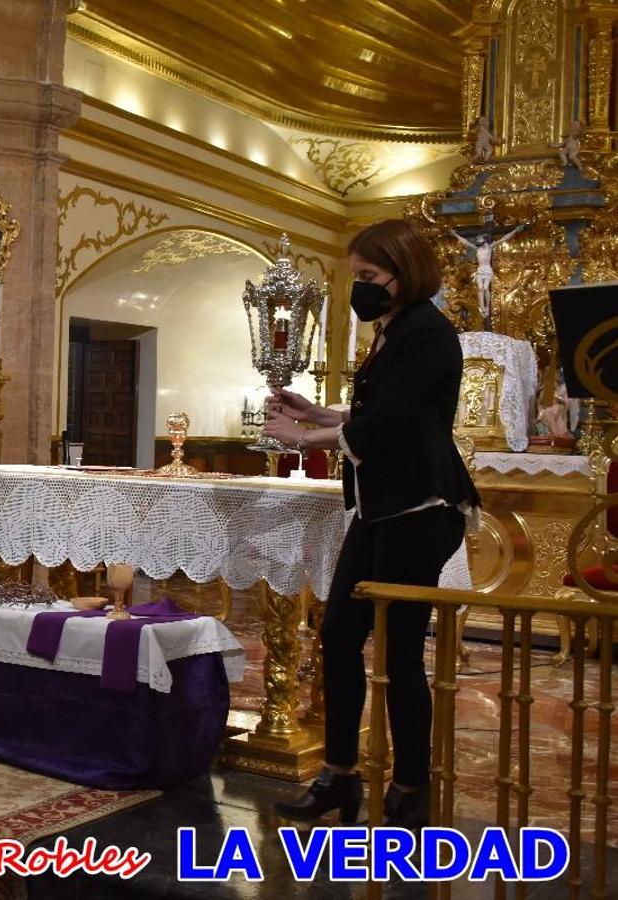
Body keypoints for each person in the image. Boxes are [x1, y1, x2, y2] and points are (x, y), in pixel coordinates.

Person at [263, 220, 481, 829]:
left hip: (422, 507)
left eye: (367, 277)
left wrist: (305, 435)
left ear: (402, 272)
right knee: (339, 633)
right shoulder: (392, 331)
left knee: (401, 652)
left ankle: (412, 784)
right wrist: (323, 411)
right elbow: (377, 411)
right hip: (381, 504)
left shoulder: (429, 333)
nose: (360, 289)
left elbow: (394, 424)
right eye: (356, 277)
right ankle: (339, 774)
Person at [452, 224, 525, 331]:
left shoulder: (490, 247)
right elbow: (465, 242)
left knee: (485, 288)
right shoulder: (477, 248)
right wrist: (454, 234)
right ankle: (482, 307)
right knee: (480, 288)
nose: (479, 243)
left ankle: (486, 308)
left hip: (487, 270)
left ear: (485, 240)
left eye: (480, 241)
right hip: (480, 271)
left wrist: (515, 230)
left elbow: (504, 238)